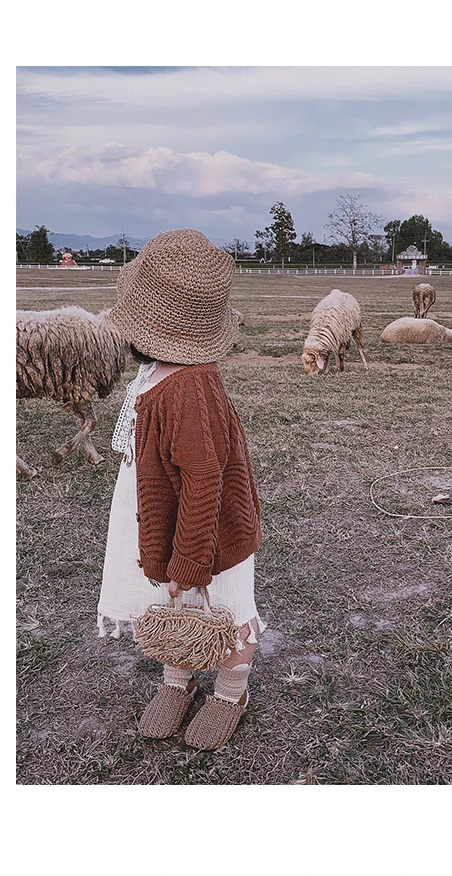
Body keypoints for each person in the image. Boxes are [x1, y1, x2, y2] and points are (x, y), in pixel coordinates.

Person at [98, 228, 263, 751]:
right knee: (173, 607)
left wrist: (190, 562)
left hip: (207, 528)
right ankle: (179, 679)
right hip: (163, 516)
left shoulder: (188, 388)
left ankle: (230, 691)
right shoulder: (157, 372)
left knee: (226, 606)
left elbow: (205, 478)